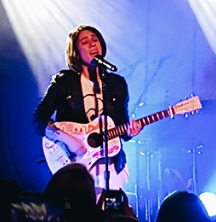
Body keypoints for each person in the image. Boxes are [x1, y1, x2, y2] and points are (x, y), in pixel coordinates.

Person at [33, 25, 143, 192]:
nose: (92, 44)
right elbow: (38, 119)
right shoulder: (64, 82)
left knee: (111, 214)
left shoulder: (117, 84)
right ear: (75, 51)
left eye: (95, 40)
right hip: (75, 164)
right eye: (85, 42)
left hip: (110, 162)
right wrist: (69, 140)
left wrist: (130, 131)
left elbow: (122, 126)